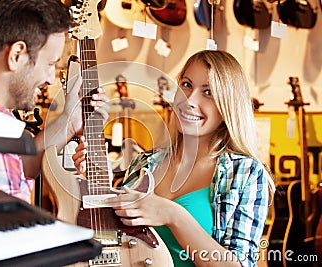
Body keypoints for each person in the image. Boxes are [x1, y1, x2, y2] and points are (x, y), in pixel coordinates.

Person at [72, 50, 275, 266]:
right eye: (186, 85)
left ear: (228, 107)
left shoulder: (246, 173)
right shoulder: (145, 162)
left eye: (208, 92)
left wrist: (174, 216)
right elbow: (115, 245)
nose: (189, 100)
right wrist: (99, 182)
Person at [0, 0, 108, 204]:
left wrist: (70, 120)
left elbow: (18, 165)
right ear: (16, 55)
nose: (51, 78)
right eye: (50, 63)